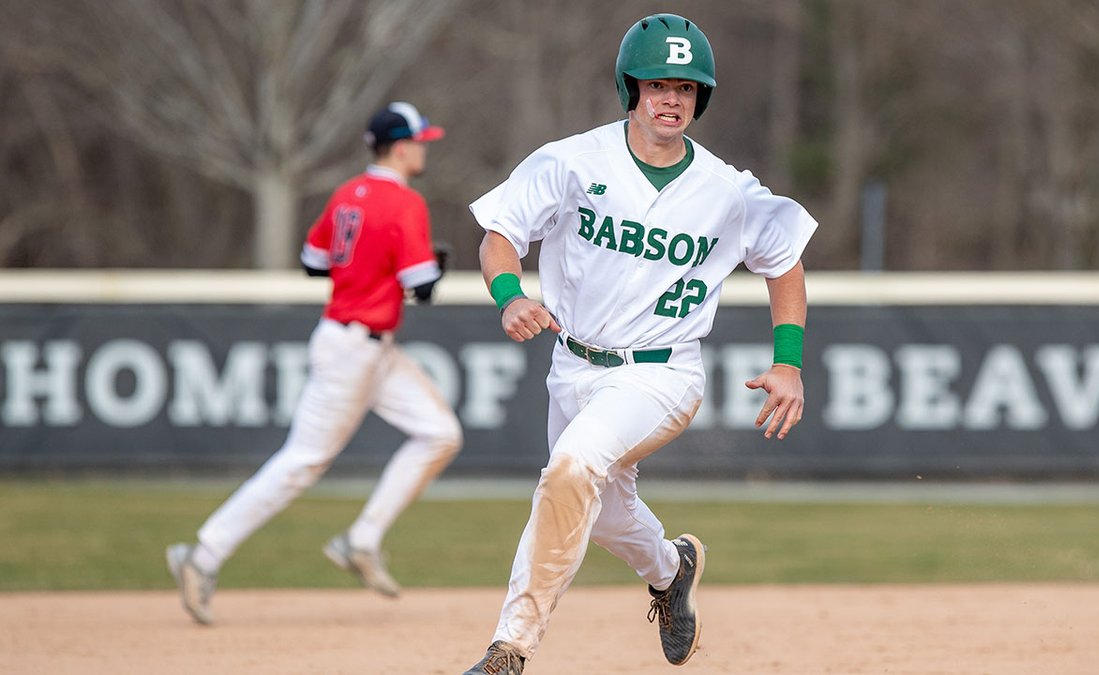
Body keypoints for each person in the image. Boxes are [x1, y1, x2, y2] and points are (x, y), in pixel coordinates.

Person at [462, 13, 817, 674]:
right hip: (573, 366)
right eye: (658, 84)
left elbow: (785, 259)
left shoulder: (725, 190)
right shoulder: (572, 161)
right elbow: (500, 232)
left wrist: (788, 361)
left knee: (572, 467)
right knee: (599, 510)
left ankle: (512, 644)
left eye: (685, 88)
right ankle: (670, 568)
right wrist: (509, 294)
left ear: (699, 99)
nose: (671, 99)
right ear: (632, 89)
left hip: (661, 374)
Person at [166, 101, 463, 625]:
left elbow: (312, 262)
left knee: (440, 432)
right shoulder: (404, 203)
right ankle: (203, 553)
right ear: (400, 147)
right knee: (302, 461)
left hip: (366, 344)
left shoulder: (349, 192)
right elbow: (421, 288)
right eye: (419, 141)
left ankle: (361, 539)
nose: (423, 149)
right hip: (353, 347)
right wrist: (433, 266)